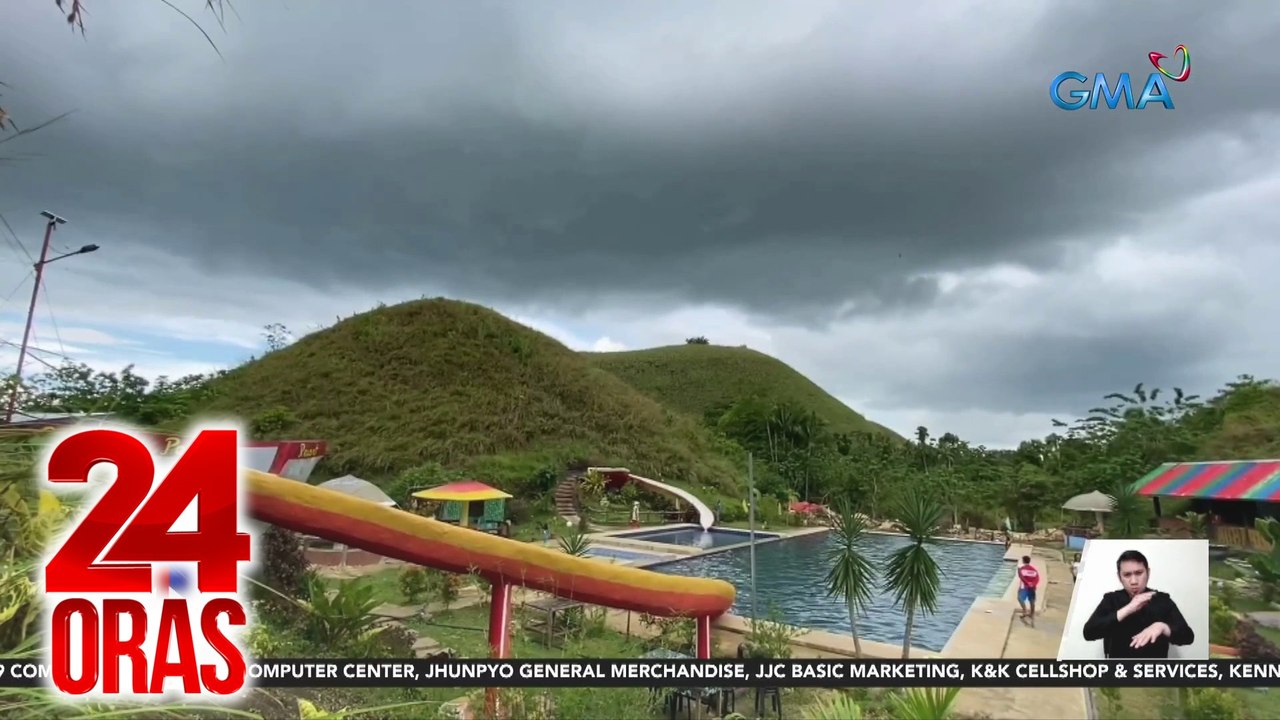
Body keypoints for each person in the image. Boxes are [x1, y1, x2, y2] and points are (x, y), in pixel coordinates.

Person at [1082, 549, 1195, 658]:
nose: (1134, 581)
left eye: (1139, 573)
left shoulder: (1162, 600)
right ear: (1119, 577)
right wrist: (1128, 608)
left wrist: (1163, 627)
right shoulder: (1111, 599)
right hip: (1119, 672)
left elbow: (1188, 636)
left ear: (1148, 572)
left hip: (1153, 673)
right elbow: (1088, 632)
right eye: (1127, 575)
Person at [1016, 556, 1040, 622]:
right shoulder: (1034, 569)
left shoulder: (1021, 569)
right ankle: (1032, 614)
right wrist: (1033, 584)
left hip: (1024, 586)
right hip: (1032, 587)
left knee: (1020, 598)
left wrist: (1027, 583)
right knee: (1032, 600)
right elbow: (1037, 578)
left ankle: (1025, 611)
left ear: (1023, 561)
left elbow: (1021, 577)